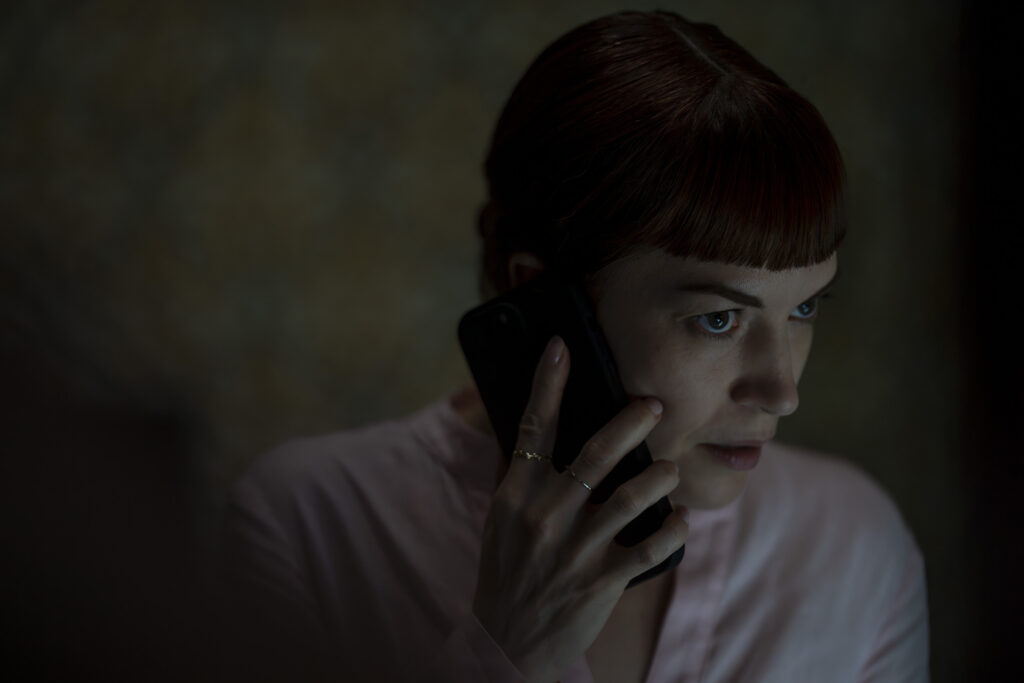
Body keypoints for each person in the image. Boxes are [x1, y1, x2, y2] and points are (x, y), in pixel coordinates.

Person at [220, 10, 929, 682]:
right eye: (718, 319)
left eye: (804, 307)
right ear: (541, 298)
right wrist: (505, 651)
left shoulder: (850, 541)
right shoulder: (308, 525)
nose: (782, 390)